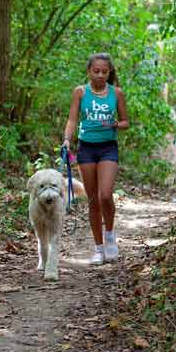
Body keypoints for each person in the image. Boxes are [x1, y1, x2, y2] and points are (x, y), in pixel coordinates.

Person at [61, 52, 129, 265]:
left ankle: (110, 235)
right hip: (86, 149)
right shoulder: (80, 93)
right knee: (93, 200)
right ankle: (98, 249)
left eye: (104, 72)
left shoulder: (116, 93)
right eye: (96, 71)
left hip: (108, 148)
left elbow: (126, 121)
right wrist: (66, 140)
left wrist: (116, 125)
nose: (100, 75)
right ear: (89, 71)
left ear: (109, 73)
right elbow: (72, 119)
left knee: (105, 196)